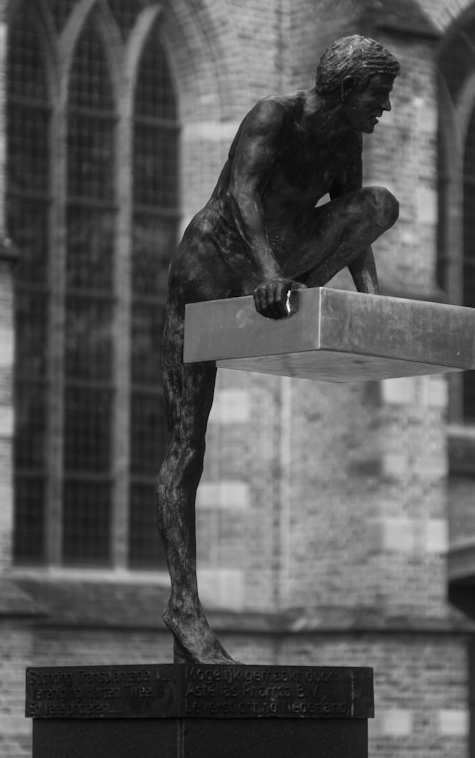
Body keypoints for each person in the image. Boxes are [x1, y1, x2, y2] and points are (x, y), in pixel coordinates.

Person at [157, 34, 401, 663]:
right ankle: (183, 606)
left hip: (283, 263)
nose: (386, 109)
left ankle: (291, 287)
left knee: (379, 204)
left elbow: (351, 223)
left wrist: (370, 303)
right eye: (380, 95)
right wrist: (266, 273)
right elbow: (241, 197)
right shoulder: (275, 116)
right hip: (214, 264)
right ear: (348, 88)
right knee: (187, 444)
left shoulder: (347, 138)